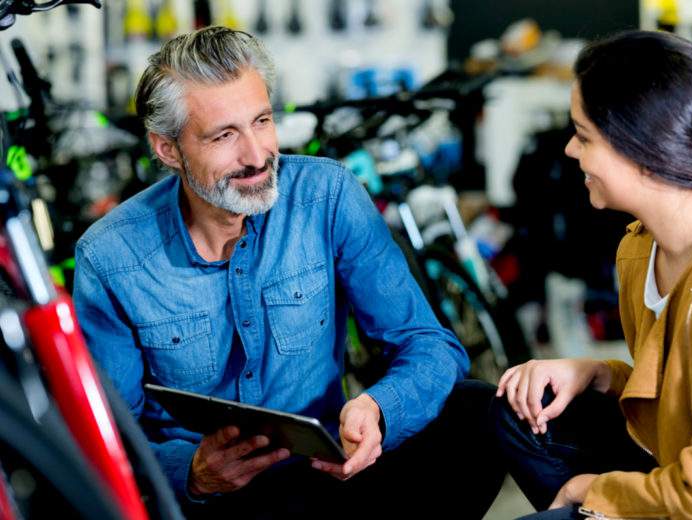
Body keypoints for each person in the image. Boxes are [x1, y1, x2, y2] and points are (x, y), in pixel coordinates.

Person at [73, 26, 505, 518]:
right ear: (168, 148)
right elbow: (104, 437)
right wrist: (190, 471)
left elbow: (430, 344)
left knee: (477, 411)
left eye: (262, 121)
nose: (257, 156)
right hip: (211, 502)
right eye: (224, 135)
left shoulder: (328, 196)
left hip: (323, 476)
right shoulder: (111, 258)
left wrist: (379, 409)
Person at [491, 30, 692, 520]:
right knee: (508, 406)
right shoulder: (639, 246)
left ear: (644, 151)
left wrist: (593, 490)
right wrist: (597, 372)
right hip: (676, 467)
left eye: (583, 137)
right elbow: (686, 394)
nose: (569, 151)